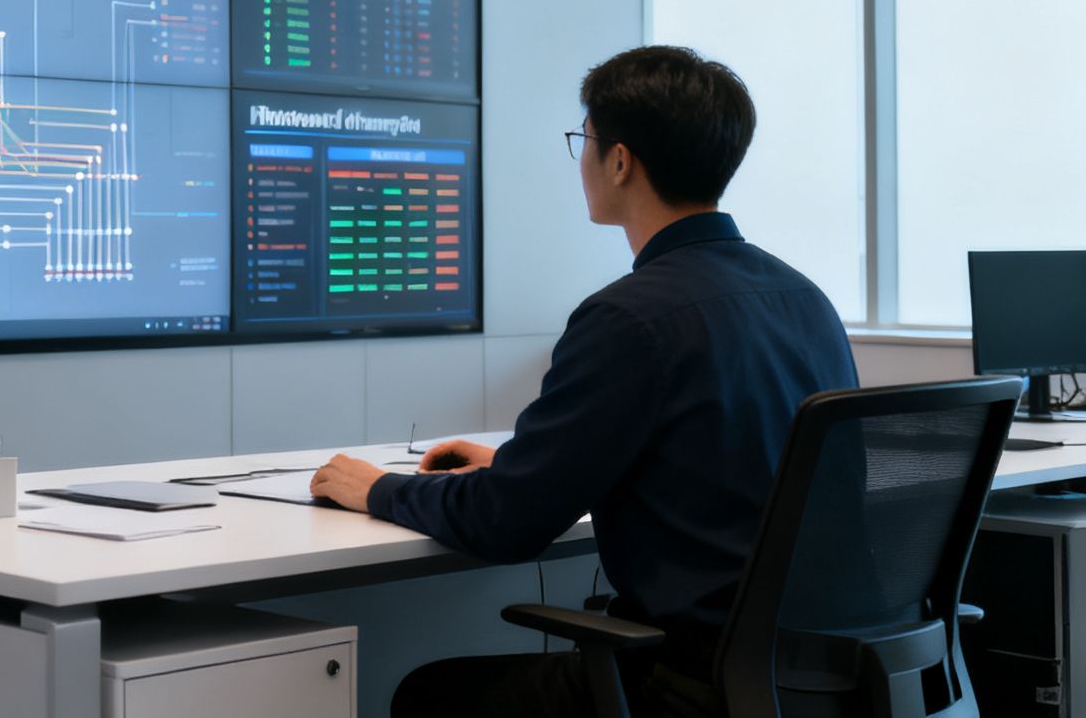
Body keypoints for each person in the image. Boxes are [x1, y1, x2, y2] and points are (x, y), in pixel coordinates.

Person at [310, 45, 858, 718]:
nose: (583, 160)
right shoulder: (804, 298)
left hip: (685, 683)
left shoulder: (630, 319)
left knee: (427, 696)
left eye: (586, 141)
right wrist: (531, 464)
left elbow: (505, 524)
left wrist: (381, 489)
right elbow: (725, 456)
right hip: (805, 676)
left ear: (620, 160)